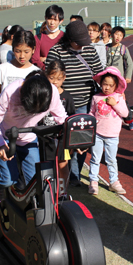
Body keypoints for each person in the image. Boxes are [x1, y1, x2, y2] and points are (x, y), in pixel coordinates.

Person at [0, 72, 68, 218]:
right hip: (6, 138)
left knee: (34, 183)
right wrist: (0, 144)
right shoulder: (10, 92)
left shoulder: (51, 92)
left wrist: (75, 136)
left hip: (28, 138)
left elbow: (62, 119)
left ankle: (27, 212)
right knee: (7, 179)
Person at [46, 20, 103, 186]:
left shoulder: (90, 50)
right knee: (65, 142)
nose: (83, 45)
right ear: (69, 39)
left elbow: (99, 73)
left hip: (85, 104)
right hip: (62, 105)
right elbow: (48, 74)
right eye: (79, 43)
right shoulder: (56, 51)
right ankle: (70, 174)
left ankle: (75, 174)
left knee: (82, 142)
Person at [88, 66, 129, 195]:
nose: (107, 87)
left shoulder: (118, 97)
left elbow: (125, 113)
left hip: (112, 135)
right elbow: (92, 113)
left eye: (111, 85)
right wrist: (89, 123)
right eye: (105, 84)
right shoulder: (96, 97)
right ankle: (93, 181)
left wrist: (114, 104)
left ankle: (114, 182)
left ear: (116, 86)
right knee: (95, 158)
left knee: (111, 159)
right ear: (101, 83)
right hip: (98, 134)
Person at [43, 60, 76, 195]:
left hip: (62, 139)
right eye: (51, 78)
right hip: (45, 138)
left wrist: (72, 143)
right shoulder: (43, 94)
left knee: (63, 165)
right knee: (46, 166)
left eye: (59, 78)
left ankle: (63, 191)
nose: (55, 82)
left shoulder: (67, 97)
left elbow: (72, 119)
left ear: (64, 78)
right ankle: (46, 191)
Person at [0, 30, 39, 102]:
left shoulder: (36, 73)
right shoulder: (3, 68)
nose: (22, 56)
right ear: (13, 49)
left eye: (26, 52)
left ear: (33, 50)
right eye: (18, 51)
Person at [32, 5, 65, 69]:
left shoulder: (65, 37)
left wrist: (45, 59)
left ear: (61, 21)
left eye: (55, 19)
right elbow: (35, 60)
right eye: (50, 19)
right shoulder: (38, 38)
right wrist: (48, 70)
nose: (52, 22)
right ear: (45, 18)